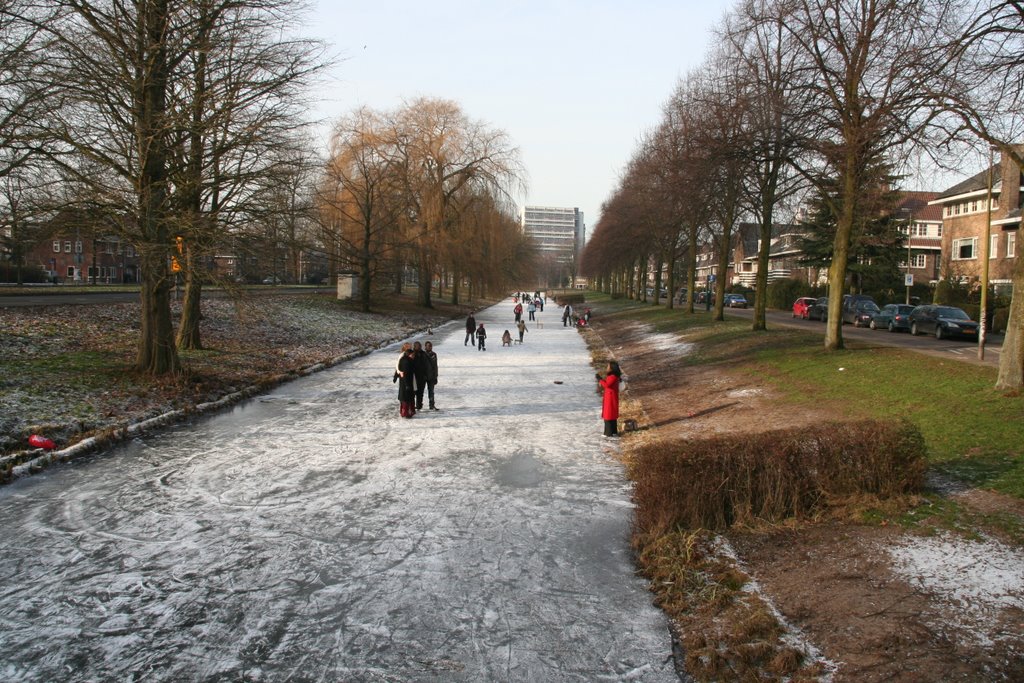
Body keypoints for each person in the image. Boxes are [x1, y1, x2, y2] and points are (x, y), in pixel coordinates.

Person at [597, 361, 622, 437]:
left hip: (610, 398)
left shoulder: (612, 376)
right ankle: (614, 431)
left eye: (608, 366)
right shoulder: (614, 376)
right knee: (612, 415)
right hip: (611, 397)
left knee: (608, 415)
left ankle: (608, 433)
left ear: (612, 368)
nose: (607, 368)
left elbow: (607, 385)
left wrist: (600, 379)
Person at [393, 343, 417, 418]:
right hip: (406, 382)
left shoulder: (406, 359)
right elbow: (399, 368)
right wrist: (397, 374)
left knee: (405, 397)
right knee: (406, 398)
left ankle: (405, 411)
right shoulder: (406, 361)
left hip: (405, 381)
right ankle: (406, 412)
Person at [412, 341, 429, 410]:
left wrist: (426, 375)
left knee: (420, 392)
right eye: (418, 346)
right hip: (414, 376)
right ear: (415, 347)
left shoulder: (423, 354)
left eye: (420, 346)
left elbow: (426, 365)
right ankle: (413, 405)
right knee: (414, 392)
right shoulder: (412, 354)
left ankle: (419, 405)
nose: (419, 347)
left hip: (422, 376)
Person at [423, 341, 439, 410]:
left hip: (431, 376)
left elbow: (435, 366)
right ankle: (418, 405)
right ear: (425, 346)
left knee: (431, 391)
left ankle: (432, 405)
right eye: (428, 346)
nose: (429, 347)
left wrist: (436, 376)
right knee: (420, 392)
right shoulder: (422, 354)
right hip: (423, 376)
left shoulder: (434, 354)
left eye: (430, 346)